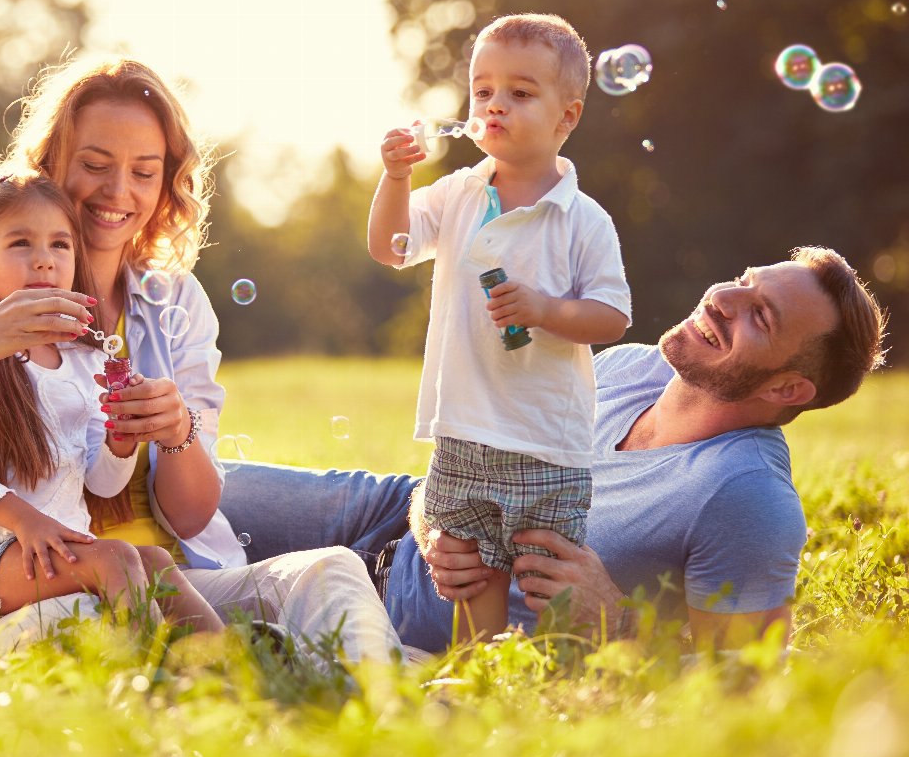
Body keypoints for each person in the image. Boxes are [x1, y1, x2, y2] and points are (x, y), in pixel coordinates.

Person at [0, 54, 402, 660]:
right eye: (94, 165)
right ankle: (226, 680)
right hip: (35, 586)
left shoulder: (175, 302)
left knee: (332, 573)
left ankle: (385, 709)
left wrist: (175, 431)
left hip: (170, 578)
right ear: (50, 164)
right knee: (96, 631)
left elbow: (187, 518)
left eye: (145, 171)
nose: (118, 192)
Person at [373, 245, 888, 650]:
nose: (721, 298)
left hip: (412, 603)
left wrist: (615, 620)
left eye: (761, 316)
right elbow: (484, 458)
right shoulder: (629, 366)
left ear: (784, 390)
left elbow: (740, 684)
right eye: (743, 280)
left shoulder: (748, 495)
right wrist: (431, 517)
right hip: (399, 509)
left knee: (300, 584)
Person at [367, 13, 631, 639]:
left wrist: (545, 310)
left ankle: (564, 668)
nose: (495, 105)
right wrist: (397, 177)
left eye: (520, 92)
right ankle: (481, 669)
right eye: (483, 91)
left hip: (545, 434)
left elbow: (612, 316)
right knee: (470, 565)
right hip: (463, 423)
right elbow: (390, 245)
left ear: (568, 117)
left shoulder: (582, 220)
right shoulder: (459, 193)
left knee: (546, 569)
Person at [0, 168, 222, 635]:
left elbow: (102, 484)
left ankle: (230, 667)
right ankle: (155, 675)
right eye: (20, 243)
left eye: (60, 245)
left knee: (153, 562)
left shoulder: (80, 360)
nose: (44, 261)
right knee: (115, 557)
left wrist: (120, 443)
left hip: (44, 554)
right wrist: (27, 522)